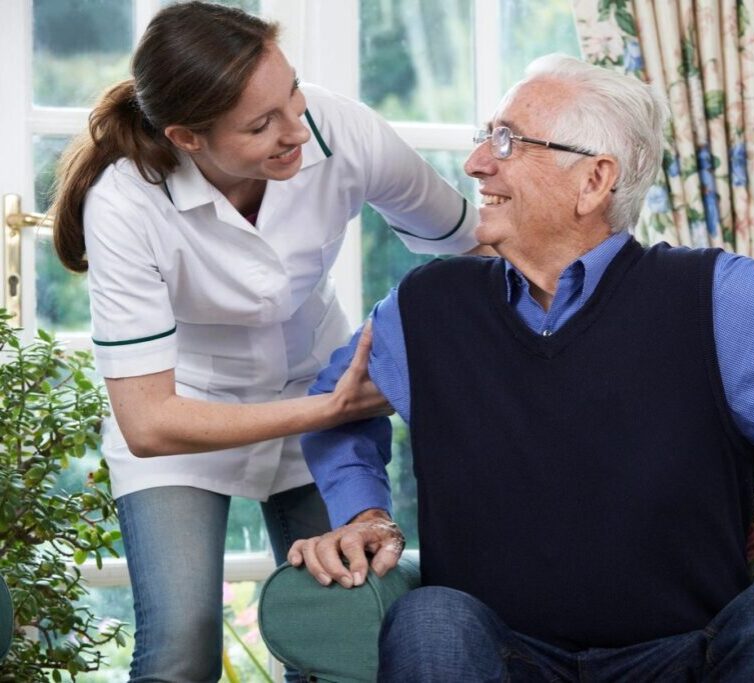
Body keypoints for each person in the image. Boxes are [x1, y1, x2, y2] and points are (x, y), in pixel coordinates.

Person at [290, 54, 754, 681]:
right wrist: (364, 510)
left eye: (507, 141)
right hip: (501, 654)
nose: (474, 163)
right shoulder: (427, 306)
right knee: (431, 616)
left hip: (687, 655)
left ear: (593, 179)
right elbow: (334, 400)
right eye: (484, 136)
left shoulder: (715, 300)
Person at [49, 2, 482, 681]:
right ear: (188, 137)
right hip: (187, 412)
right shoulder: (126, 202)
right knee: (179, 647)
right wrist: (331, 408)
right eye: (261, 125)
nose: (296, 130)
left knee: (335, 633)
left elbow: (471, 245)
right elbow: (149, 421)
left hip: (315, 382)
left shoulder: (337, 129)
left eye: (293, 94)